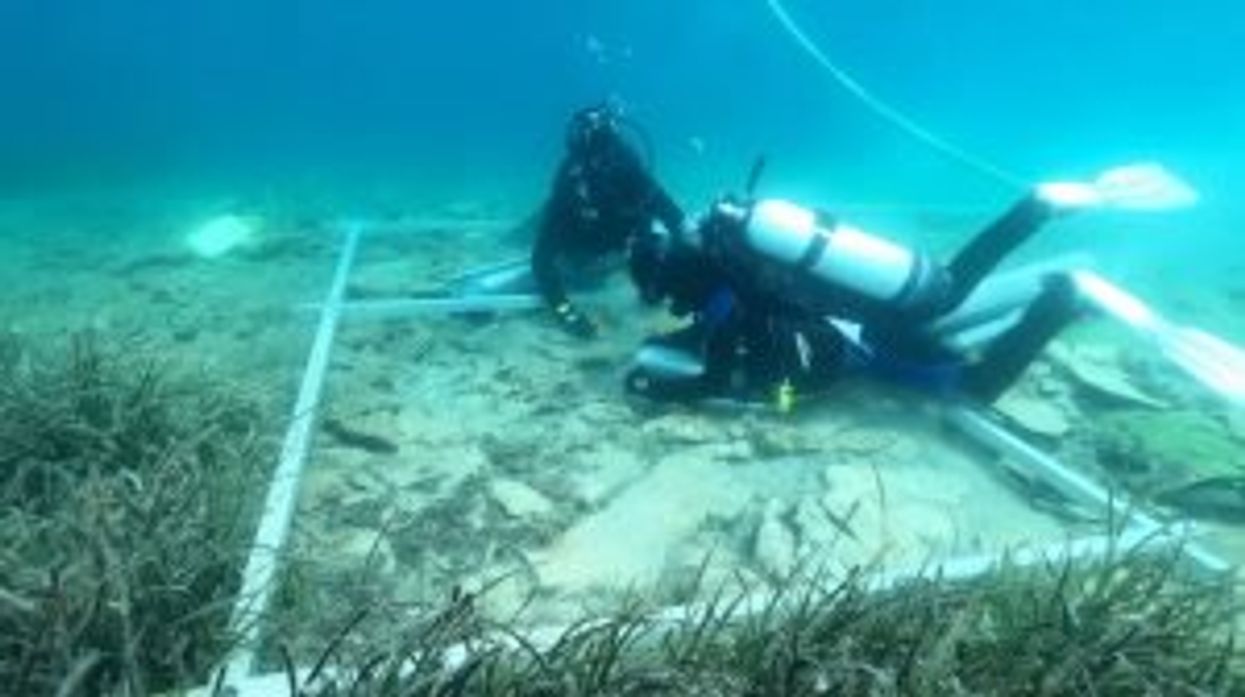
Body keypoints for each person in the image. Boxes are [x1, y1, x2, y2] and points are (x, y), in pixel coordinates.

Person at [623, 163, 1195, 408]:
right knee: (945, 304)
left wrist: (663, 390)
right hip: (877, 301)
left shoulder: (727, 297)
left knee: (970, 383)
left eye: (666, 292)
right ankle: (1060, 282)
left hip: (872, 333)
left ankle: (1062, 282)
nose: (671, 304)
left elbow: (716, 376)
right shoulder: (739, 256)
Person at [530, 103, 687, 339]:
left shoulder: (632, 175)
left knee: (652, 247)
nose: (606, 173)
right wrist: (566, 313)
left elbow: (675, 219)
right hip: (582, 245)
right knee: (536, 226)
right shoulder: (570, 189)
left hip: (619, 241)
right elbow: (541, 259)